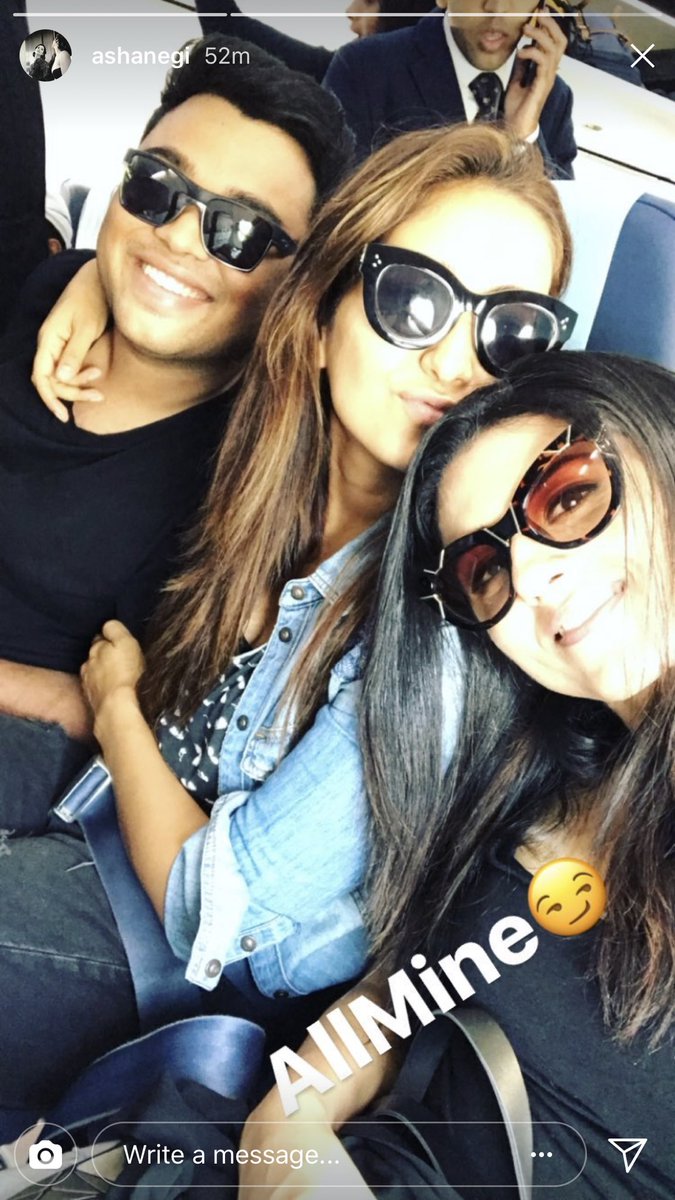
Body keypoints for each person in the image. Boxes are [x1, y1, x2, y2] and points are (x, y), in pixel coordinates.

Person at [0, 124, 577, 1114]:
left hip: (179, 957)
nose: (455, 362)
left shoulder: (452, 618)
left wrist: (120, 706)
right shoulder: (270, 466)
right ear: (319, 317)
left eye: (511, 330)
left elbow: (222, 914)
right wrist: (88, 281)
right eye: (412, 300)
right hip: (98, 809)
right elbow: (180, 278)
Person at [242, 352, 675, 1198]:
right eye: (483, 572)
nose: (529, 577)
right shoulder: (547, 777)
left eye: (566, 496)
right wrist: (290, 1116)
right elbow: (413, 988)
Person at [0, 34, 350, 809]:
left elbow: (107, 711)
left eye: (241, 231)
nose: (179, 237)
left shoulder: (237, 485)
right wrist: (90, 276)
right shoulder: (45, 290)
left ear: (299, 283)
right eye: (157, 186)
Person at [324, 0, 576, 176]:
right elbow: (337, 211)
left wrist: (524, 139)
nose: (497, 7)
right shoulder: (364, 68)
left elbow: (563, 226)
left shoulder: (552, 98)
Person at [195, 0, 435, 84]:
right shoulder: (341, 71)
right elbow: (230, 32)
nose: (350, 11)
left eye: (370, 1)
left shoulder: (346, 75)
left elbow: (228, 29)